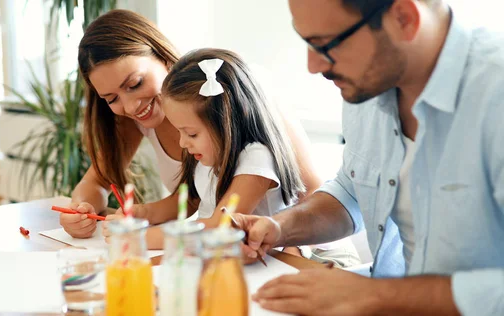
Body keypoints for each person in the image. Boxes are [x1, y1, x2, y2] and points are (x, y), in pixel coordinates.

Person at [234, 0, 504, 314]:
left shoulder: (494, 97)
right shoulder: (367, 87)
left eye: (326, 45)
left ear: (404, 18)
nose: (314, 66)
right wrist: (281, 227)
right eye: (307, 42)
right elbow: (351, 192)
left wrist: (379, 295)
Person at [101, 48, 360, 267]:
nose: (182, 142)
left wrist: (137, 238)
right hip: (264, 261)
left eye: (190, 133)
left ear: (225, 122)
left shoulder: (256, 159)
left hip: (319, 259)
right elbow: (193, 201)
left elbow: (219, 227)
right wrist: (140, 213)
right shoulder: (207, 156)